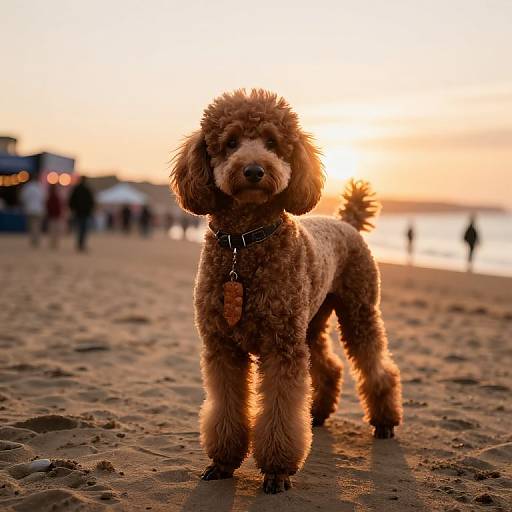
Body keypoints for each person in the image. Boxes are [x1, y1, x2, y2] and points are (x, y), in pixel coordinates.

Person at [69, 176, 95, 252]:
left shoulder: (77, 189)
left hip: (79, 213)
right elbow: (91, 202)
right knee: (83, 229)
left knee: (80, 229)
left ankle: (80, 244)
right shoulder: (87, 189)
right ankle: (81, 244)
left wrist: (73, 209)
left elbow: (71, 200)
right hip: (84, 213)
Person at [20, 173, 44, 247]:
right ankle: (36, 239)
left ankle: (33, 240)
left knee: (31, 225)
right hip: (38, 209)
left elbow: (23, 197)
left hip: (30, 209)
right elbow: (44, 198)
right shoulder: (40, 187)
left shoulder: (28, 187)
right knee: (37, 225)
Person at [46, 184, 63, 249]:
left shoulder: (50, 196)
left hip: (52, 216)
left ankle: (53, 243)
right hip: (55, 215)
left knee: (52, 230)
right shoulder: (55, 197)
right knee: (55, 231)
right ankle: (54, 243)